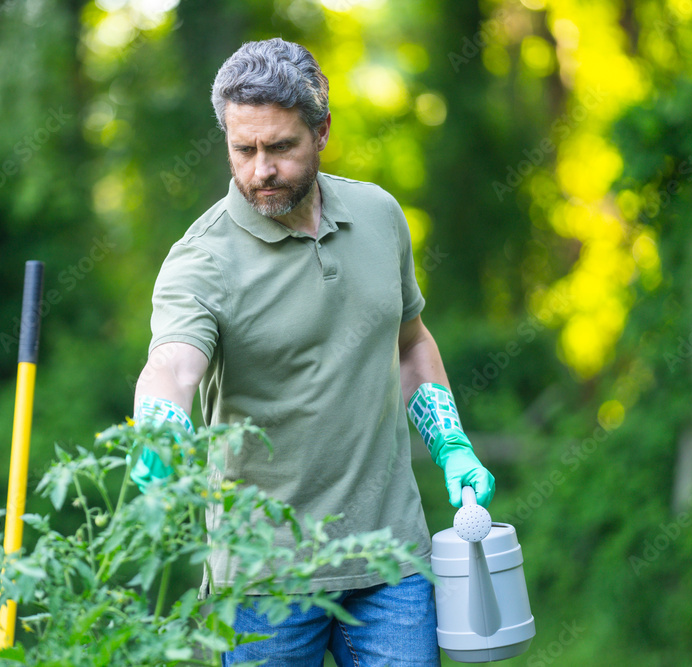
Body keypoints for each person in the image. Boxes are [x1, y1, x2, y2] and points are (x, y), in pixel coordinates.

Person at [131, 37, 495, 666]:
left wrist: (451, 442)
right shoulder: (203, 258)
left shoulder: (380, 217)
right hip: (261, 583)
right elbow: (173, 361)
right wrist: (159, 426)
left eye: (280, 147)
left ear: (322, 130)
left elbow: (410, 343)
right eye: (242, 149)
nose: (259, 171)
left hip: (391, 563)